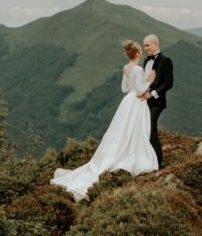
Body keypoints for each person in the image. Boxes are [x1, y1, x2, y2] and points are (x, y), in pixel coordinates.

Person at [51, 40, 159, 201]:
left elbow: (125, 89)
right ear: (137, 53)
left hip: (126, 103)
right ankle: (131, 155)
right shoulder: (138, 69)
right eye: (140, 50)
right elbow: (139, 91)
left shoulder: (126, 68)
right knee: (135, 131)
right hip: (136, 103)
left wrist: (138, 86)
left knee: (120, 131)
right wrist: (150, 80)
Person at [139, 34, 174, 168]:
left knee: (151, 126)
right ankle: (148, 158)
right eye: (144, 45)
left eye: (147, 45)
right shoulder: (146, 62)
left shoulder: (166, 61)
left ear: (155, 44)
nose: (145, 47)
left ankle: (158, 162)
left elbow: (169, 83)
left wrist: (152, 94)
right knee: (144, 128)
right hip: (143, 101)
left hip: (157, 102)